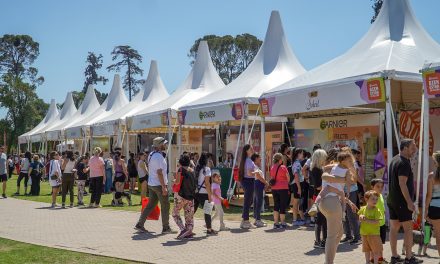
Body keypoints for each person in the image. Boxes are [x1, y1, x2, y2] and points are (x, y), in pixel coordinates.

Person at [318, 150, 358, 264]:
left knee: (339, 233)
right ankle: (329, 262)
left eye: (352, 160)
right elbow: (351, 181)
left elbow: (339, 186)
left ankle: (329, 260)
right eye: (350, 160)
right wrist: (344, 177)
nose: (352, 161)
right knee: (332, 236)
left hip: (327, 201)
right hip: (332, 202)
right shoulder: (337, 169)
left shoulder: (335, 169)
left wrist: (349, 202)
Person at [387, 139, 423, 264]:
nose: (415, 149)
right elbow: (402, 183)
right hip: (401, 202)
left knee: (394, 228)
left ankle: (395, 256)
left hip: (392, 200)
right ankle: (409, 257)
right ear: (405, 148)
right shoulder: (404, 163)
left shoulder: (394, 160)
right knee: (408, 229)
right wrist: (409, 202)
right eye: (413, 147)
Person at [135, 137, 174, 234]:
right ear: (160, 145)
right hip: (158, 185)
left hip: (152, 183)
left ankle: (140, 224)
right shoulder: (159, 157)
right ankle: (166, 228)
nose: (165, 145)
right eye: (164, 144)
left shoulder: (151, 155)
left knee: (150, 205)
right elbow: (159, 172)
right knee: (165, 205)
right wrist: (164, 187)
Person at [172, 153, 197, 239]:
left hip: (181, 196)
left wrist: (174, 180)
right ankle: (189, 230)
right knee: (189, 215)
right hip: (190, 197)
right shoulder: (192, 170)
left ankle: (183, 229)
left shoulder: (181, 170)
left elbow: (178, 182)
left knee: (175, 213)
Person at [194, 152, 217, 235]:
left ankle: (187, 228)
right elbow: (207, 183)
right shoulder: (207, 169)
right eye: (209, 159)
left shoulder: (197, 168)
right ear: (207, 160)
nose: (210, 160)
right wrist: (210, 195)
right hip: (204, 193)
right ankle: (209, 229)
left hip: (196, 192)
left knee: (192, 211)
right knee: (208, 211)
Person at [358, 190, 384, 264]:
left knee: (375, 251)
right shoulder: (362, 208)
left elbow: (377, 222)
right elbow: (359, 218)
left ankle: (375, 262)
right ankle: (367, 262)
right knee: (366, 250)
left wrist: (366, 220)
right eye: (373, 199)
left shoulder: (377, 210)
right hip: (364, 233)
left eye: (376, 199)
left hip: (374, 234)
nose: (375, 201)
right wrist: (361, 216)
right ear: (366, 199)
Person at [310, 149, 328, 249]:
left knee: (321, 219)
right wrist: (328, 185)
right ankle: (320, 241)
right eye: (324, 156)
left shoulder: (316, 168)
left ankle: (321, 240)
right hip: (319, 195)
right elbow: (317, 186)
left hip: (319, 195)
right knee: (321, 219)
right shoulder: (316, 170)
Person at [425, 151, 440, 258]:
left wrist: (425, 210)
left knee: (438, 236)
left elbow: (429, 196)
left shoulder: (431, 176)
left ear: (435, 163)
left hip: (435, 207)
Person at [238, 144, 257, 229]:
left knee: (248, 201)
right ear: (247, 151)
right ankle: (246, 221)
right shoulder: (248, 160)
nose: (252, 149)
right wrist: (256, 172)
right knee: (248, 201)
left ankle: (244, 220)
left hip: (246, 181)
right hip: (248, 181)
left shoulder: (246, 160)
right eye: (251, 148)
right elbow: (249, 173)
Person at [270, 153, 290, 229]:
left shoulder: (272, 167)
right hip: (283, 188)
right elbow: (288, 178)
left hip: (274, 188)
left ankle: (276, 223)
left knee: (276, 205)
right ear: (280, 160)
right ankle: (283, 222)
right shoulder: (283, 167)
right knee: (282, 205)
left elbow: (272, 177)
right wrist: (285, 182)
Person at [371, 178, 387, 264]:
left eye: (381, 187)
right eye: (378, 186)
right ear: (372, 187)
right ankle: (373, 260)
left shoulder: (380, 195)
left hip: (382, 224)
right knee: (374, 246)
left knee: (380, 245)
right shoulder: (372, 197)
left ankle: (380, 259)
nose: (380, 188)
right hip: (375, 226)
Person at [252, 153, 269, 227]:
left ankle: (257, 219)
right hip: (258, 185)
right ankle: (258, 220)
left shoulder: (255, 166)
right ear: (255, 159)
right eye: (259, 157)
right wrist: (266, 182)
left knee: (257, 202)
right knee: (258, 202)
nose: (261, 159)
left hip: (258, 185)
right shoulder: (254, 166)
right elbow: (258, 176)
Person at [291, 148, 306, 226]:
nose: (302, 155)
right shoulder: (296, 163)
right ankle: (294, 220)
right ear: (298, 154)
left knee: (298, 202)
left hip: (298, 184)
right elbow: (296, 176)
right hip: (297, 184)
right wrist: (299, 188)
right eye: (302, 153)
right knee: (296, 202)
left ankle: (300, 218)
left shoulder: (296, 162)